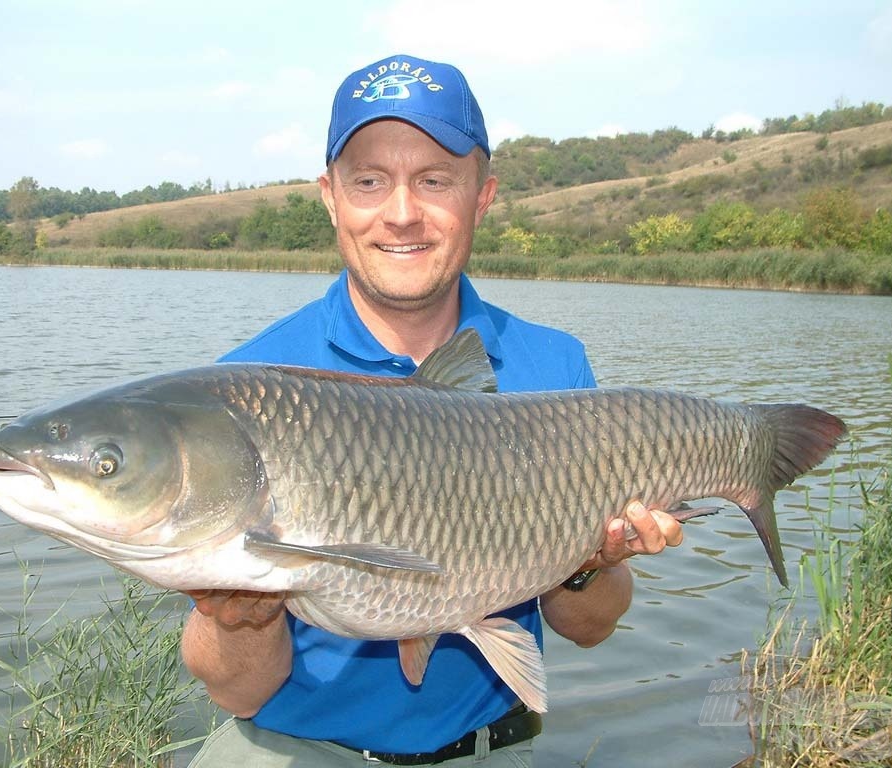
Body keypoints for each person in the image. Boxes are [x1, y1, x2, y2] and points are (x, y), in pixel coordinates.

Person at [182, 53, 683, 767]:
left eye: (434, 179)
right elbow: (237, 690)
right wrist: (239, 616)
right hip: (292, 749)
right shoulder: (250, 392)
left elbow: (590, 628)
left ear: (481, 195)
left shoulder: (556, 373)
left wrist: (584, 565)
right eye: (368, 181)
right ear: (329, 197)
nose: (402, 212)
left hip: (487, 750)